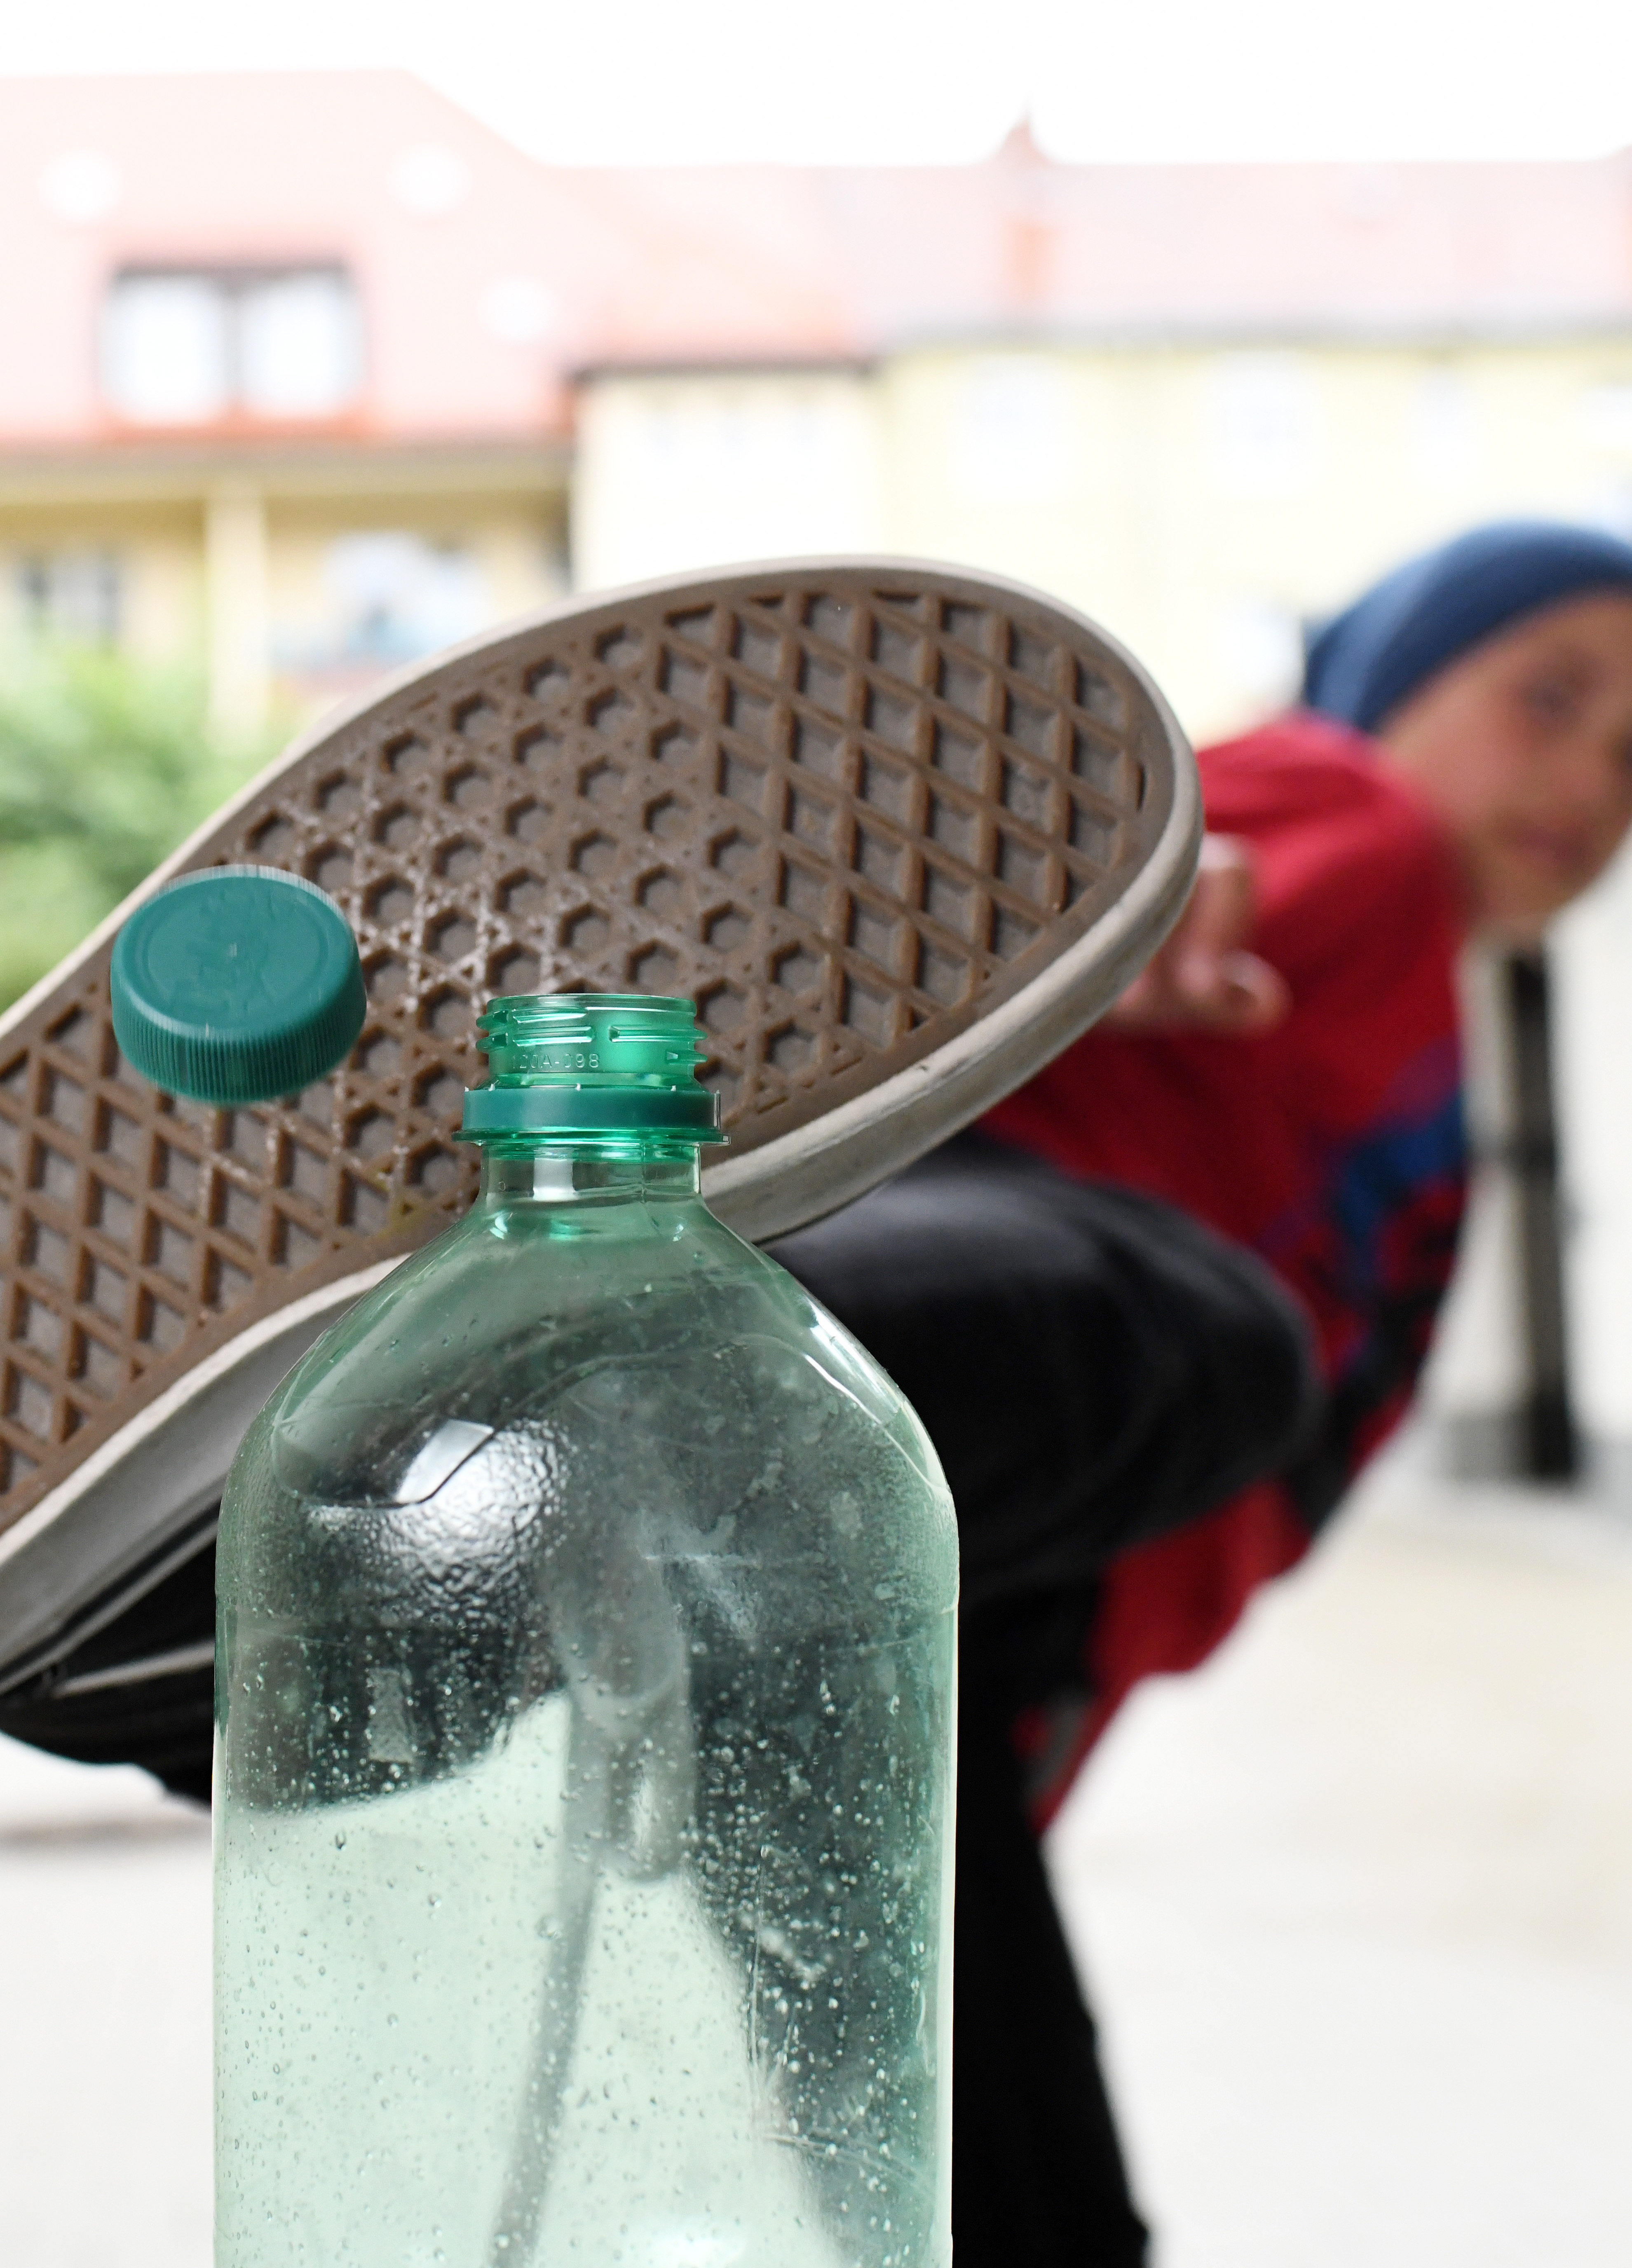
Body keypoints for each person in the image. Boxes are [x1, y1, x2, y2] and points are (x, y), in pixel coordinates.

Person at [775, 518, 1632, 2264]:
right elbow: (1173, 850)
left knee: (981, 2169)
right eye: (1550, 696)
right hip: (946, 1401)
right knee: (1218, 1337)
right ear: (1397, 680)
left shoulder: (1435, 1051)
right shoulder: (1365, 823)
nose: (1589, 775)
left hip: (979, 1615)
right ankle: (486, 1392)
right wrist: (1143, 890)